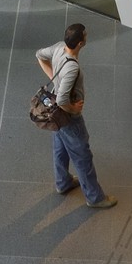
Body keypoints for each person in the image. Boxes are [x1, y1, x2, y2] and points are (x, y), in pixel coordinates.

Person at [35, 23, 116, 209]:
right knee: (82, 157)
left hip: (55, 114)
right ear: (80, 43)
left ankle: (63, 182)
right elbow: (62, 99)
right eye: (85, 35)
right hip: (69, 118)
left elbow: (39, 55)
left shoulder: (58, 48)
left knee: (60, 148)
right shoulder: (72, 68)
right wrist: (73, 109)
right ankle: (95, 198)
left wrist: (54, 78)